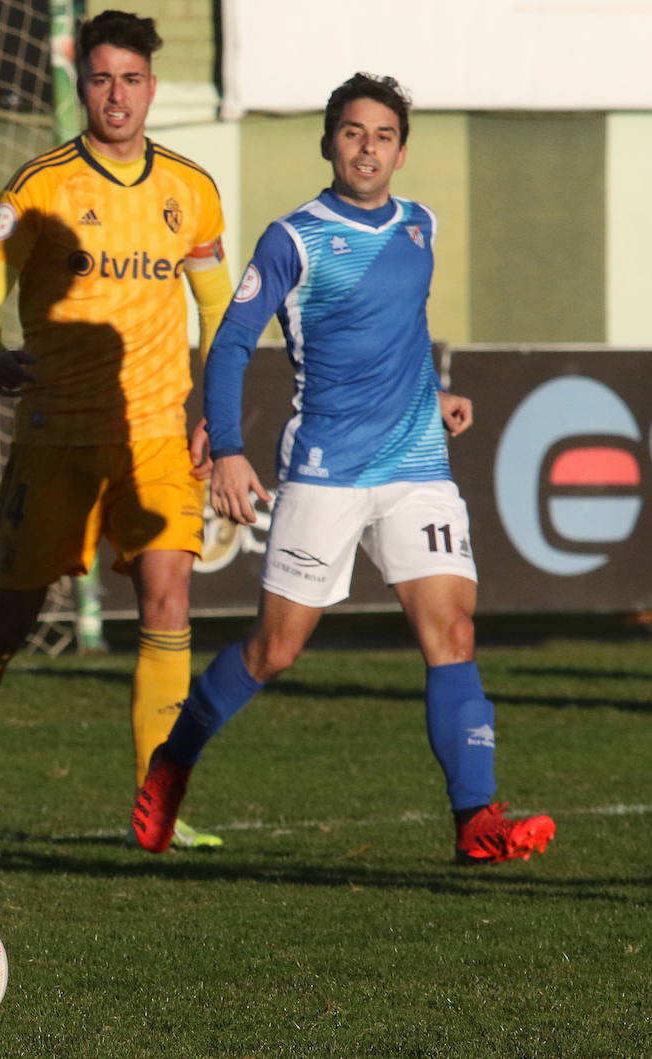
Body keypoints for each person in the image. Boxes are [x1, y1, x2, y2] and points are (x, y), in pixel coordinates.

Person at [130, 73, 556, 865]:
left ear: (401, 150)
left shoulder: (420, 227)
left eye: (384, 135)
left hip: (417, 463)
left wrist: (436, 392)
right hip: (327, 471)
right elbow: (229, 342)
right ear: (329, 142)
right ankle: (175, 756)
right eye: (353, 132)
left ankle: (477, 818)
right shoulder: (293, 239)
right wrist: (226, 446)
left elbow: (399, 332)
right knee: (275, 650)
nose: (368, 147)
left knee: (453, 631)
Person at [0, 10, 233, 848]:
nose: (118, 95)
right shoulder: (38, 186)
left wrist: (216, 406)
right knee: (5, 623)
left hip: (152, 433)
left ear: (152, 86)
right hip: (53, 436)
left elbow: (219, 306)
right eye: (102, 78)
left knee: (168, 600)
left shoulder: (192, 189)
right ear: (80, 83)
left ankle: (158, 804)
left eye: (132, 79)